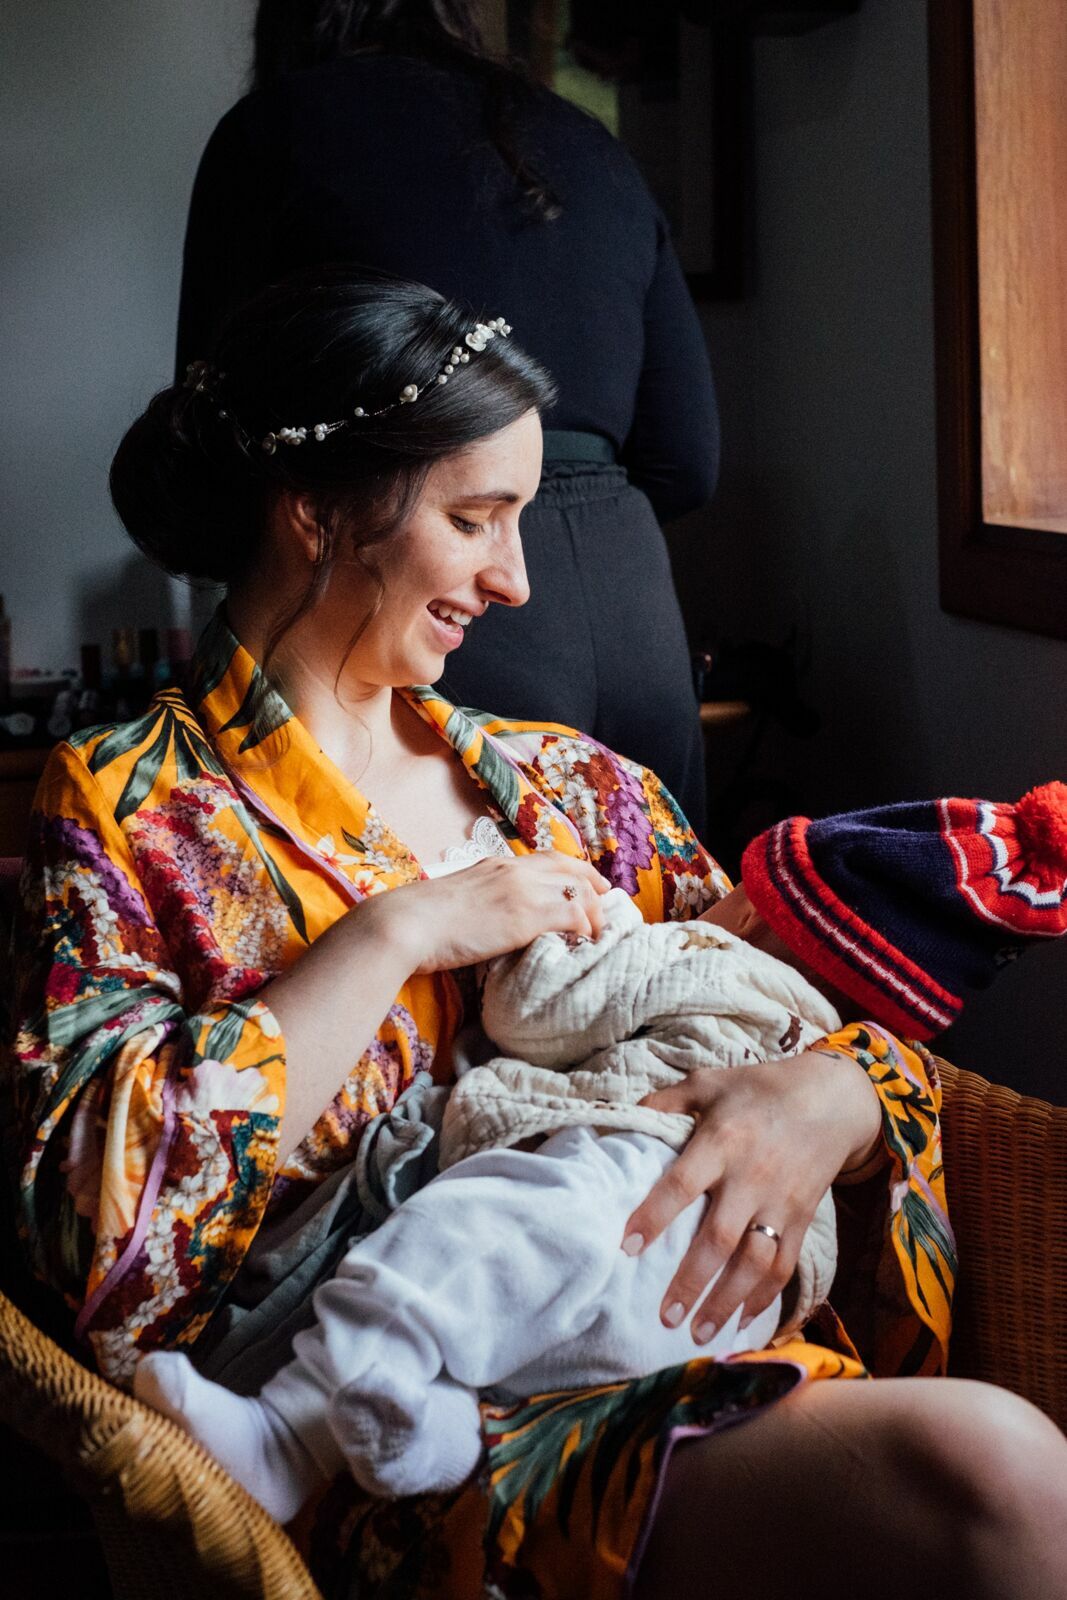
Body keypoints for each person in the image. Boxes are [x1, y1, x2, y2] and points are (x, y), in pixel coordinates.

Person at [6, 271, 1067, 1600]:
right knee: (988, 1476)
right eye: (473, 519)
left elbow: (759, 993)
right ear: (316, 510)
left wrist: (832, 1100)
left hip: (676, 1329)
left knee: (995, 1474)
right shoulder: (133, 808)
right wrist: (394, 933)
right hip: (395, 1433)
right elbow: (97, 1232)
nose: (515, 581)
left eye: (518, 521)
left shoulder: (572, 786)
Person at [131, 782, 1067, 1522]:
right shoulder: (817, 1022)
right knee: (538, 1344)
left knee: (470, 1243)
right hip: (741, 1297)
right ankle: (442, 1433)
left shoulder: (699, 952)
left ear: (753, 915)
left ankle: (285, 1439)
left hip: (625, 1194)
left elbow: (531, 1014)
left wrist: (587, 933)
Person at [174, 0, 720, 830]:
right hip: (634, 604)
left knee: (424, 907)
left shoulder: (279, 127)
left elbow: (214, 426)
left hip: (431, 584)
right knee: (663, 907)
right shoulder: (589, 143)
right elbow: (687, 459)